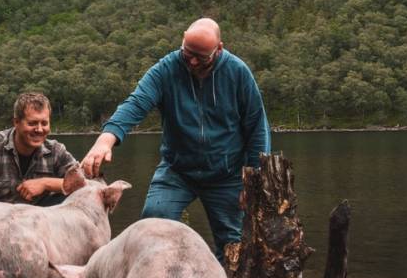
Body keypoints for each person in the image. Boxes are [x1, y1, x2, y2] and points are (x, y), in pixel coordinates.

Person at [81, 18, 270, 258]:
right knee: (152, 226)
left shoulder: (238, 73)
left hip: (227, 174)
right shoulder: (166, 69)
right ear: (182, 39)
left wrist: (252, 180)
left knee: (233, 245)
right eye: (187, 53)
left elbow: (257, 127)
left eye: (201, 58)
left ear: (219, 49)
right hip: (177, 170)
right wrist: (105, 140)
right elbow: (136, 103)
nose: (191, 62)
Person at [0, 92, 77, 207]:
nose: (39, 129)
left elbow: (86, 185)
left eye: (44, 123)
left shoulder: (56, 151)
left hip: (38, 221)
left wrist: (45, 183)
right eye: (32, 123)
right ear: (16, 122)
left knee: (77, 197)